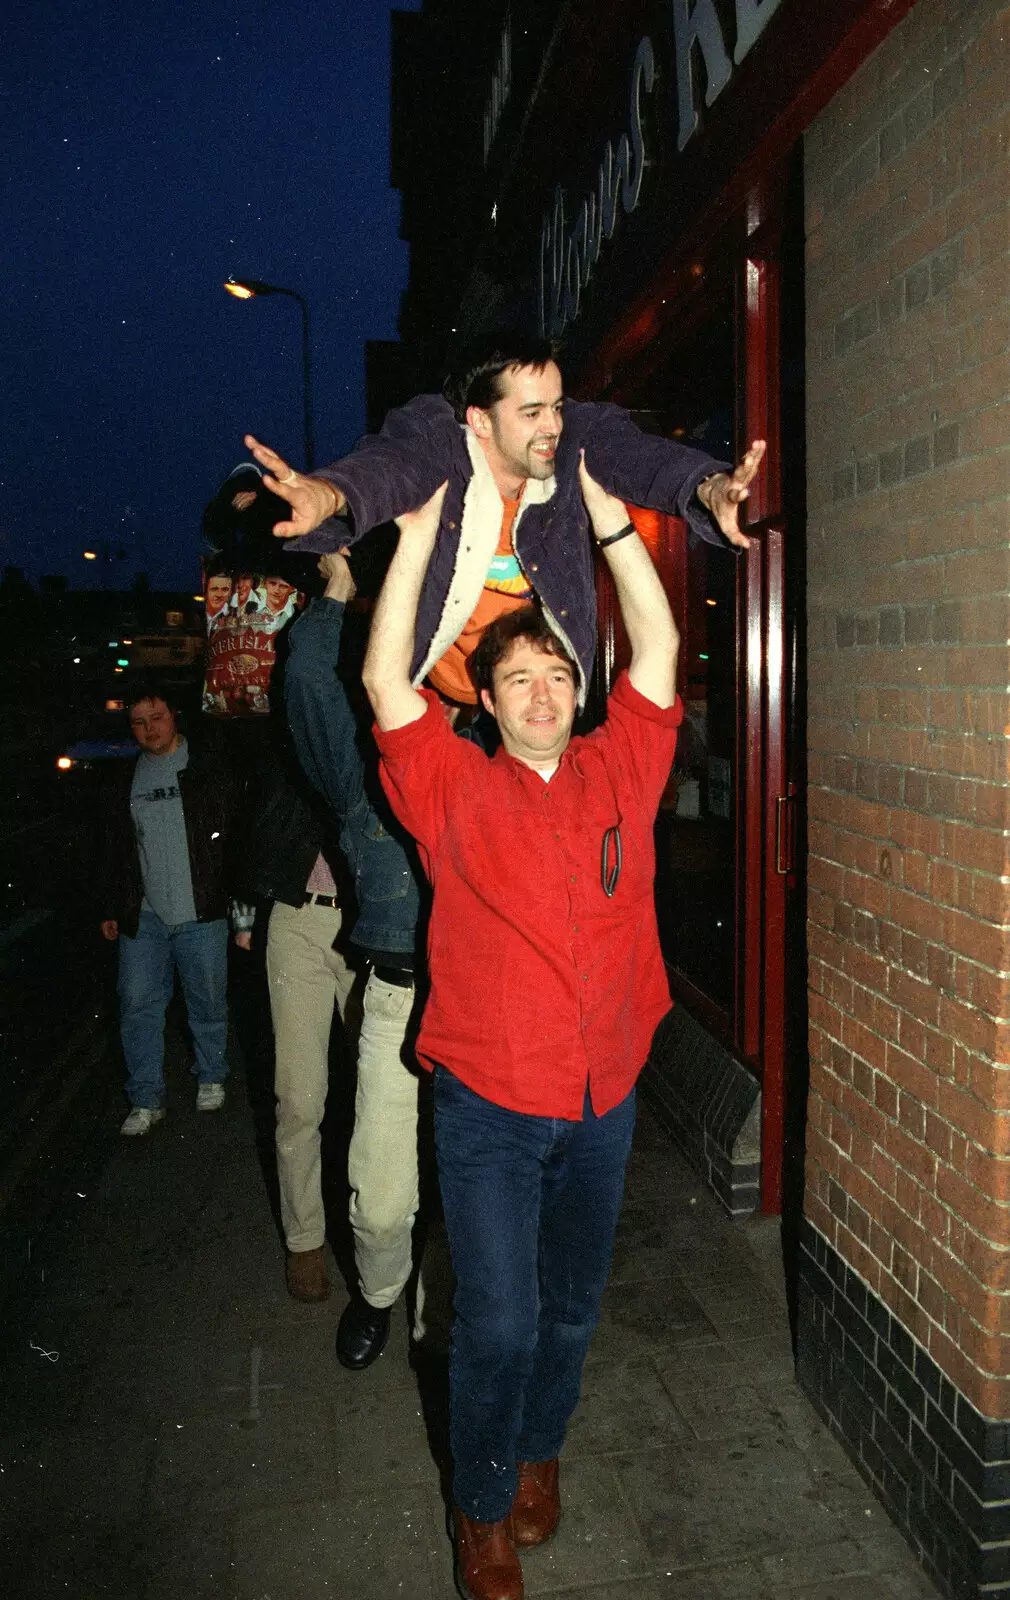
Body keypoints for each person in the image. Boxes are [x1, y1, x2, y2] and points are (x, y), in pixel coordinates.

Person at [360, 451, 762, 1600]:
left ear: (575, 689)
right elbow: (387, 676)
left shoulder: (620, 770)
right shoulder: (449, 787)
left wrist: (612, 526)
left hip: (600, 1099)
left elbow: (661, 648)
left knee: (573, 1306)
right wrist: (415, 538)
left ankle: (542, 1447)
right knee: (495, 1316)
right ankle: (478, 1505)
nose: (538, 693)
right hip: (486, 1102)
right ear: (483, 700)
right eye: (516, 679)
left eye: (553, 674)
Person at [242, 329, 763, 712]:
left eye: (556, 407)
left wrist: (705, 486)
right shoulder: (437, 437)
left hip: (529, 711)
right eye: (532, 413)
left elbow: (635, 455)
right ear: (479, 420)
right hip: (441, 701)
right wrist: (332, 494)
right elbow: (392, 466)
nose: (552, 427)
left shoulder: (572, 438)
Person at [283, 551, 428, 1368]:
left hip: (484, 1003)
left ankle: (434, 1324)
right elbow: (305, 685)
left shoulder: (479, 745)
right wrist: (336, 589)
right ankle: (378, 1292)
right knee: (378, 1200)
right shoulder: (356, 774)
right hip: (396, 999)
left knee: (475, 1199)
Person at [232, 764, 357, 1304]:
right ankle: (304, 1240)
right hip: (295, 920)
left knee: (387, 1093)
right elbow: (255, 820)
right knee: (299, 1096)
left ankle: (390, 1231)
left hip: (370, 922)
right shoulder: (292, 729)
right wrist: (243, 914)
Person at [99, 685, 238, 1136]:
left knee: (207, 1000)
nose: (148, 729)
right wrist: (113, 906)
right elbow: (116, 848)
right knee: (137, 1005)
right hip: (145, 918)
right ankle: (145, 1099)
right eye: (139, 723)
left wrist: (239, 908)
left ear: (173, 716)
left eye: (155, 718)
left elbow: (231, 840)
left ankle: (212, 1075)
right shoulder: (126, 779)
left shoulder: (206, 767)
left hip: (201, 911)